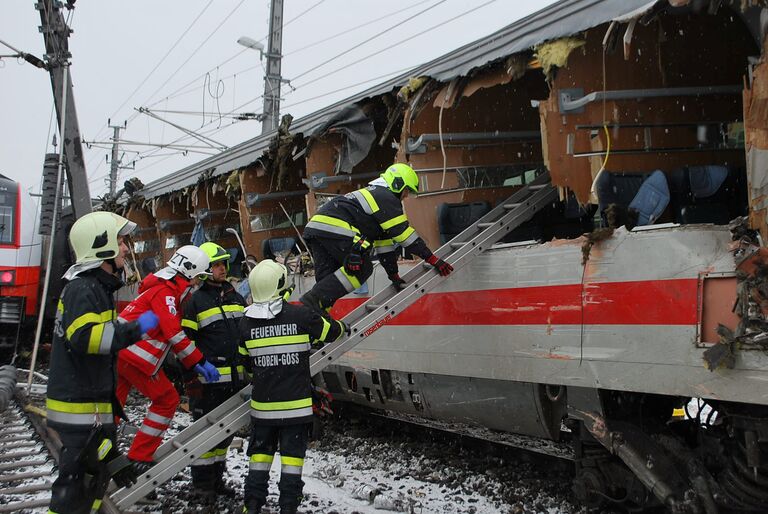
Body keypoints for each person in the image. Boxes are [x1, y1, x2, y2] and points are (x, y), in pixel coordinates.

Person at [47, 211, 160, 514]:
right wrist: (139, 327)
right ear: (103, 246)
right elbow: (88, 338)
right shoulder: (84, 289)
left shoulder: (93, 288)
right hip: (81, 410)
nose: (126, 248)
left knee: (91, 483)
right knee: (74, 493)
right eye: (121, 241)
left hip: (88, 408)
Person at [239, 260, 346, 514]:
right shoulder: (300, 315)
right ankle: (288, 507)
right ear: (280, 285)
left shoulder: (245, 324)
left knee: (259, 459)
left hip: (263, 410)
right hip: (295, 410)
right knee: (292, 462)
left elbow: (246, 366)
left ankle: (252, 505)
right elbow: (332, 332)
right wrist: (344, 327)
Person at [116, 245, 220, 472]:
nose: (196, 284)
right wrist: (200, 362)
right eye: (197, 278)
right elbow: (174, 333)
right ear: (189, 272)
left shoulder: (161, 288)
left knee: (112, 407)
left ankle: (96, 452)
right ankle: (139, 457)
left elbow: (161, 330)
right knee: (167, 399)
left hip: (119, 354)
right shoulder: (166, 293)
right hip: (134, 357)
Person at [300, 163, 454, 317]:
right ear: (397, 184)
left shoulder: (376, 199)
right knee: (362, 268)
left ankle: (315, 318)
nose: (406, 196)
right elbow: (404, 236)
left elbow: (384, 246)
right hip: (335, 227)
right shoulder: (386, 198)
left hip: (317, 228)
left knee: (328, 282)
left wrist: (393, 275)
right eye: (407, 191)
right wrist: (433, 259)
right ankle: (313, 300)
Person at [181, 241, 247, 501]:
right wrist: (190, 377)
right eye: (216, 264)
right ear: (205, 269)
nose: (221, 268)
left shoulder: (236, 296)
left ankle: (217, 481)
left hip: (234, 381)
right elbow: (185, 342)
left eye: (223, 263)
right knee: (204, 436)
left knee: (224, 435)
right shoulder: (195, 301)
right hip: (207, 383)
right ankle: (201, 487)